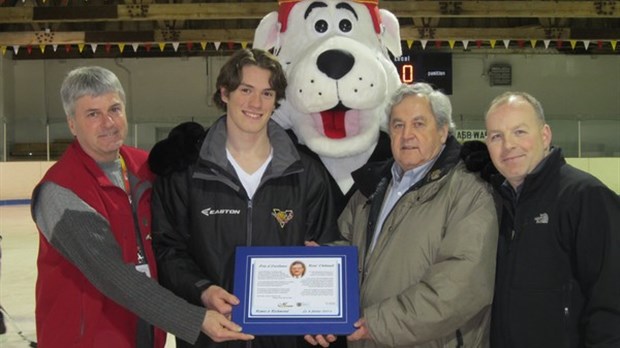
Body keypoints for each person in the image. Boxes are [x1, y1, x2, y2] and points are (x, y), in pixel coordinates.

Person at [31, 66, 254, 348]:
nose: (108, 122)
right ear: (72, 123)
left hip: (143, 332)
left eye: (114, 109)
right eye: (92, 114)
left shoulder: (145, 167)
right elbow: (114, 276)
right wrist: (195, 320)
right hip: (85, 339)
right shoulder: (60, 192)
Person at [150, 48, 340, 348]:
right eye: (246, 90)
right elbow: (168, 250)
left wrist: (322, 311)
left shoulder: (306, 172)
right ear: (224, 93)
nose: (256, 103)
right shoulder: (186, 171)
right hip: (212, 337)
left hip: (285, 339)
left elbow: (327, 245)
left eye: (267, 93)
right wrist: (202, 290)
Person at [306, 82, 498, 348]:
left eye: (419, 124)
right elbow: (344, 248)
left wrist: (374, 324)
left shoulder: (470, 192)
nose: (407, 134)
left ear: (443, 131)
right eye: (398, 125)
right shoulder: (370, 190)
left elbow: (458, 288)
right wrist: (316, 289)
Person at [484, 91, 620, 347]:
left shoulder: (586, 197)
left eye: (520, 132)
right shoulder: (495, 202)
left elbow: (611, 302)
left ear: (545, 136)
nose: (508, 145)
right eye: (496, 136)